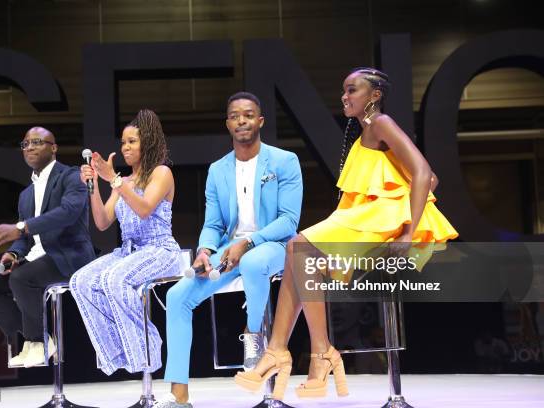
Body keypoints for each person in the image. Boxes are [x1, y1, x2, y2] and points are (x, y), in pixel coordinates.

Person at [235, 68, 458, 401]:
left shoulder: (381, 123)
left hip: (382, 218)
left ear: (375, 95)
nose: (345, 97)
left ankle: (306, 352)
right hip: (365, 216)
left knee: (298, 248)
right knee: (299, 257)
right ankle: (294, 351)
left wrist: (409, 230)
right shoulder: (364, 131)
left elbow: (426, 174)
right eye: (343, 91)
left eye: (352, 90)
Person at [157, 92, 303, 407]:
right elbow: (213, 223)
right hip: (229, 250)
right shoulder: (218, 169)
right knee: (177, 296)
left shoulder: (284, 161)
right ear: (228, 124)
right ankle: (179, 396)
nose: (242, 121)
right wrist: (205, 250)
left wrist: (248, 241)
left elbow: (289, 221)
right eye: (235, 116)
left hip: (273, 245)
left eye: (248, 115)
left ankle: (253, 336)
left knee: (251, 262)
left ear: (260, 121)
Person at [0, 127, 95, 368]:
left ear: (53, 147)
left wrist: (21, 227)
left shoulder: (71, 176)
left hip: (68, 256)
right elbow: (24, 240)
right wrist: (13, 253)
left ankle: (38, 340)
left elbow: (67, 214)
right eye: (25, 144)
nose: (30, 147)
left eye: (37, 142)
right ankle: (32, 337)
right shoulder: (26, 194)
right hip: (35, 259)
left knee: (21, 278)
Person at [69, 109, 181, 376]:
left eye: (132, 141)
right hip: (129, 251)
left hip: (160, 249)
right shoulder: (124, 182)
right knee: (80, 282)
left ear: (148, 143)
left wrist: (115, 180)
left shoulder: (161, 173)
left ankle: (146, 351)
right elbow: (103, 221)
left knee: (113, 280)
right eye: (123, 142)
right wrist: (95, 185)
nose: (125, 147)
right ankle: (120, 352)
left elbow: (144, 209)